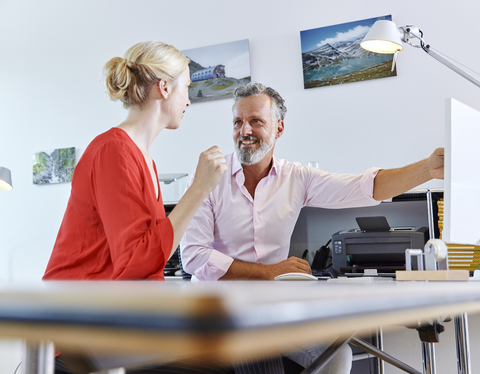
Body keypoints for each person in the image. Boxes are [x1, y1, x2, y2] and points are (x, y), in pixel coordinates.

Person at [180, 82, 444, 373]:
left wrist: (427, 169)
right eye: (238, 122)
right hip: (219, 314)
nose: (245, 131)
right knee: (258, 360)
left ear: (279, 128)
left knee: (336, 355)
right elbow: (194, 256)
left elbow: (363, 187)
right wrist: (269, 272)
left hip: (272, 313)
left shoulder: (296, 178)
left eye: (256, 121)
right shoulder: (209, 177)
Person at [42, 41, 233, 374]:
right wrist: (199, 188)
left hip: (116, 321)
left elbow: (147, 259)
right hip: (78, 329)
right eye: (186, 88)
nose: (188, 100)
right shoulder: (113, 152)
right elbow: (135, 262)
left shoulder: (145, 160)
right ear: (164, 87)